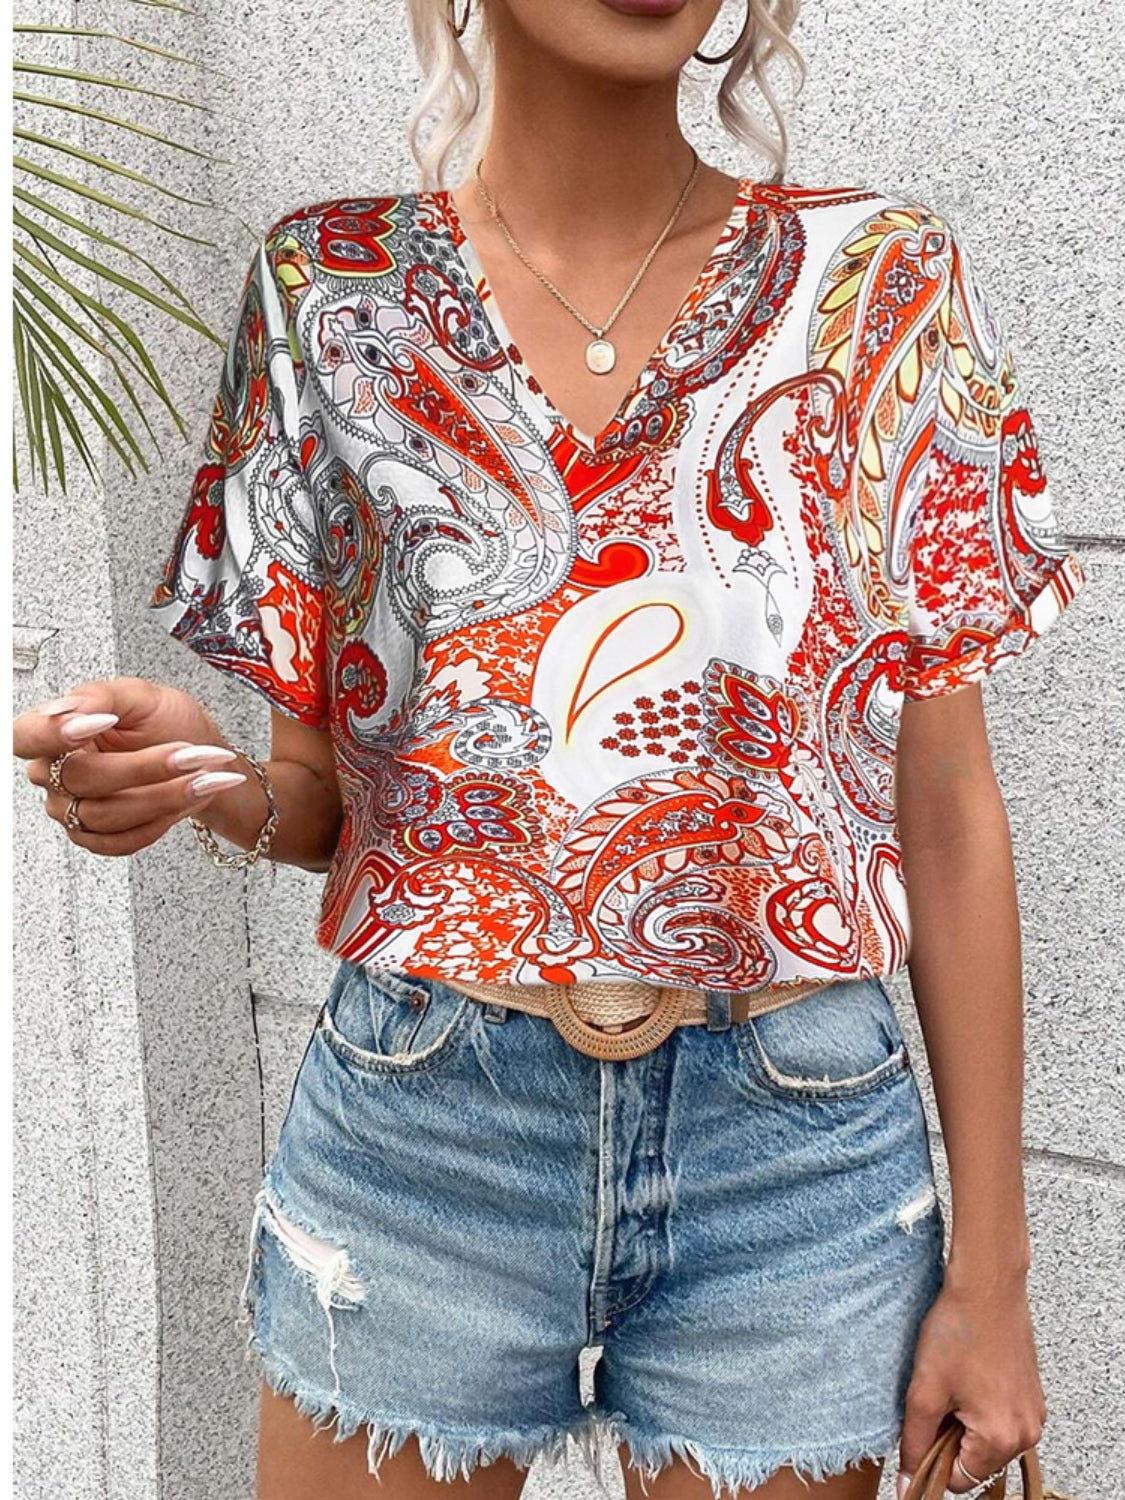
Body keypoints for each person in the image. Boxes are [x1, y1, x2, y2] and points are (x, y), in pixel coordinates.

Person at [13, 1, 1089, 1496]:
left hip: (794, 1159)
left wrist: (996, 1275)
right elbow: (329, 810)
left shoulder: (878, 287)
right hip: (421, 1131)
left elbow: (949, 811)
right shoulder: (328, 290)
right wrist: (205, 780)